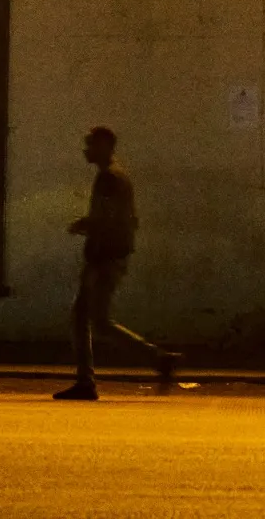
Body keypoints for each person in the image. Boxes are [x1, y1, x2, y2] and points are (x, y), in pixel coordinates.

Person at [52, 125, 182, 400]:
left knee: (83, 318)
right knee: (98, 320)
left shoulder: (109, 178)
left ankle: (87, 382)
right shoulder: (117, 176)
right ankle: (159, 359)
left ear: (104, 146)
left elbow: (106, 217)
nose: (85, 150)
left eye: (90, 144)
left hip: (103, 257)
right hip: (112, 255)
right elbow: (125, 218)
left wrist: (85, 225)